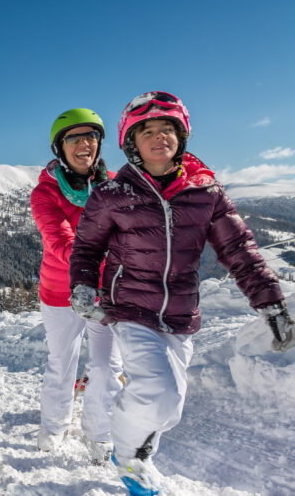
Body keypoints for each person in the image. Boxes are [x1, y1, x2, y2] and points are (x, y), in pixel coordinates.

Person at [69, 91, 295, 495]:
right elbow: (86, 248)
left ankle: (138, 446)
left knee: (169, 405)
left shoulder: (206, 192)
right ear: (132, 143)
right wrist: (84, 284)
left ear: (182, 136)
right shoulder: (113, 195)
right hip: (130, 307)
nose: (160, 137)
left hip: (180, 313)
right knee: (158, 392)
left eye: (168, 128)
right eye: (148, 131)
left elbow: (239, 250)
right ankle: (129, 455)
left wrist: (271, 302)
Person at [29, 108, 123, 463]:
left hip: (108, 293)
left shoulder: (115, 185)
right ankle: (54, 426)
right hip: (60, 292)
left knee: (106, 366)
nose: (85, 143)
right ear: (60, 147)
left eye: (91, 136)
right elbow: (59, 240)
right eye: (74, 137)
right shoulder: (46, 192)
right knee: (62, 362)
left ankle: (100, 432)